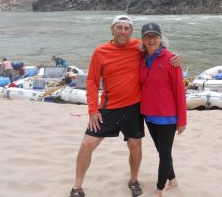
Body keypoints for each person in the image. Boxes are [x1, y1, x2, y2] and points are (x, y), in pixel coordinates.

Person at [70, 15, 181, 197]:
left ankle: (133, 181)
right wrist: (92, 110)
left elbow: (158, 47)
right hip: (108, 107)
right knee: (87, 144)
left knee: (135, 145)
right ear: (112, 29)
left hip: (133, 107)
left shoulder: (138, 46)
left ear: (131, 31)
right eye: (119, 27)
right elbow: (91, 81)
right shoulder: (100, 51)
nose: (123, 31)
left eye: (126, 28)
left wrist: (176, 57)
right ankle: (77, 186)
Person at [139, 23, 187, 197]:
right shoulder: (141, 58)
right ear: (143, 39)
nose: (151, 40)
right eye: (147, 36)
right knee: (162, 151)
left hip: (167, 117)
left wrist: (182, 120)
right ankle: (172, 180)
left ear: (160, 38)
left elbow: (180, 91)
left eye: (154, 36)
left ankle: (159, 189)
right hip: (149, 115)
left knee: (164, 154)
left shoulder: (171, 59)